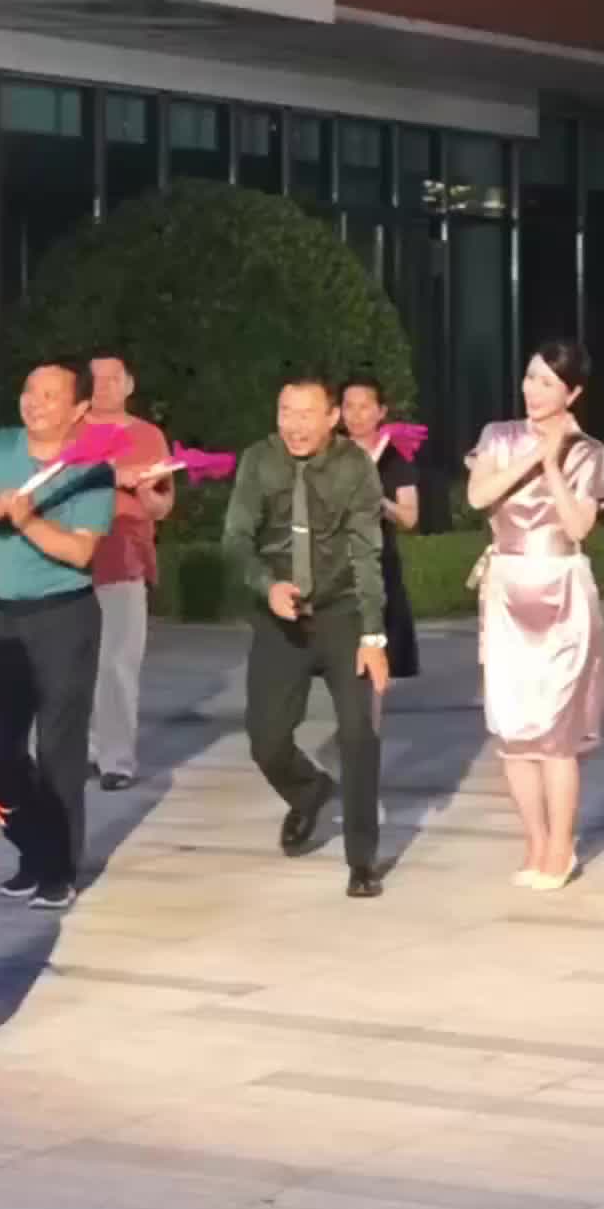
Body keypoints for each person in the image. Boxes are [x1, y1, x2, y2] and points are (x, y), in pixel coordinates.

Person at [0, 360, 114, 911]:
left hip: (65, 618)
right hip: (3, 618)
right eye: (29, 391)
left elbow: (81, 551)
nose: (34, 403)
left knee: (59, 749)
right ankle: (33, 849)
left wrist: (27, 522)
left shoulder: (91, 468)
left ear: (79, 408)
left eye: (49, 395)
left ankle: (58, 869)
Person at [222, 375, 391, 897]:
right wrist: (267, 587)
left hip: (341, 614)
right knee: (266, 739)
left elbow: (367, 552)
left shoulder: (354, 466)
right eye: (285, 412)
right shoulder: (259, 460)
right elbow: (236, 540)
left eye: (306, 414)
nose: (293, 425)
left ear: (332, 417)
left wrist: (373, 637)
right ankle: (308, 791)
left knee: (358, 734)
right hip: (280, 616)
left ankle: (362, 860)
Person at [467, 341, 604, 892]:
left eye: (548, 382)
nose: (533, 389)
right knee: (512, 728)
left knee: (556, 732)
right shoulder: (498, 435)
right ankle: (533, 840)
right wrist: (532, 455)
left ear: (572, 393)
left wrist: (553, 462)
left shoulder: (589, 452)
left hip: (562, 590)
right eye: (531, 376)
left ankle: (560, 845)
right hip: (507, 588)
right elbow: (479, 496)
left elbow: (578, 527)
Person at [87, 352, 176, 789]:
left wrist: (144, 492)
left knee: (118, 663)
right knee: (70, 664)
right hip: (65, 561)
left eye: (112, 379)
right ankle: (83, 749)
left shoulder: (148, 436)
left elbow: (162, 506)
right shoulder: (67, 431)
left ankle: (116, 760)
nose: (103, 387)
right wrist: (112, 474)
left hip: (124, 558)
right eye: (96, 379)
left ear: (129, 385)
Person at [339, 375, 420, 684]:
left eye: (364, 407)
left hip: (379, 567)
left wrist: (380, 501)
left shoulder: (394, 459)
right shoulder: (329, 454)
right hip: (335, 569)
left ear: (381, 411)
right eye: (349, 406)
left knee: (376, 666)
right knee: (341, 666)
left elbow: (409, 517)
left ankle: (370, 714)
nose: (356, 415)